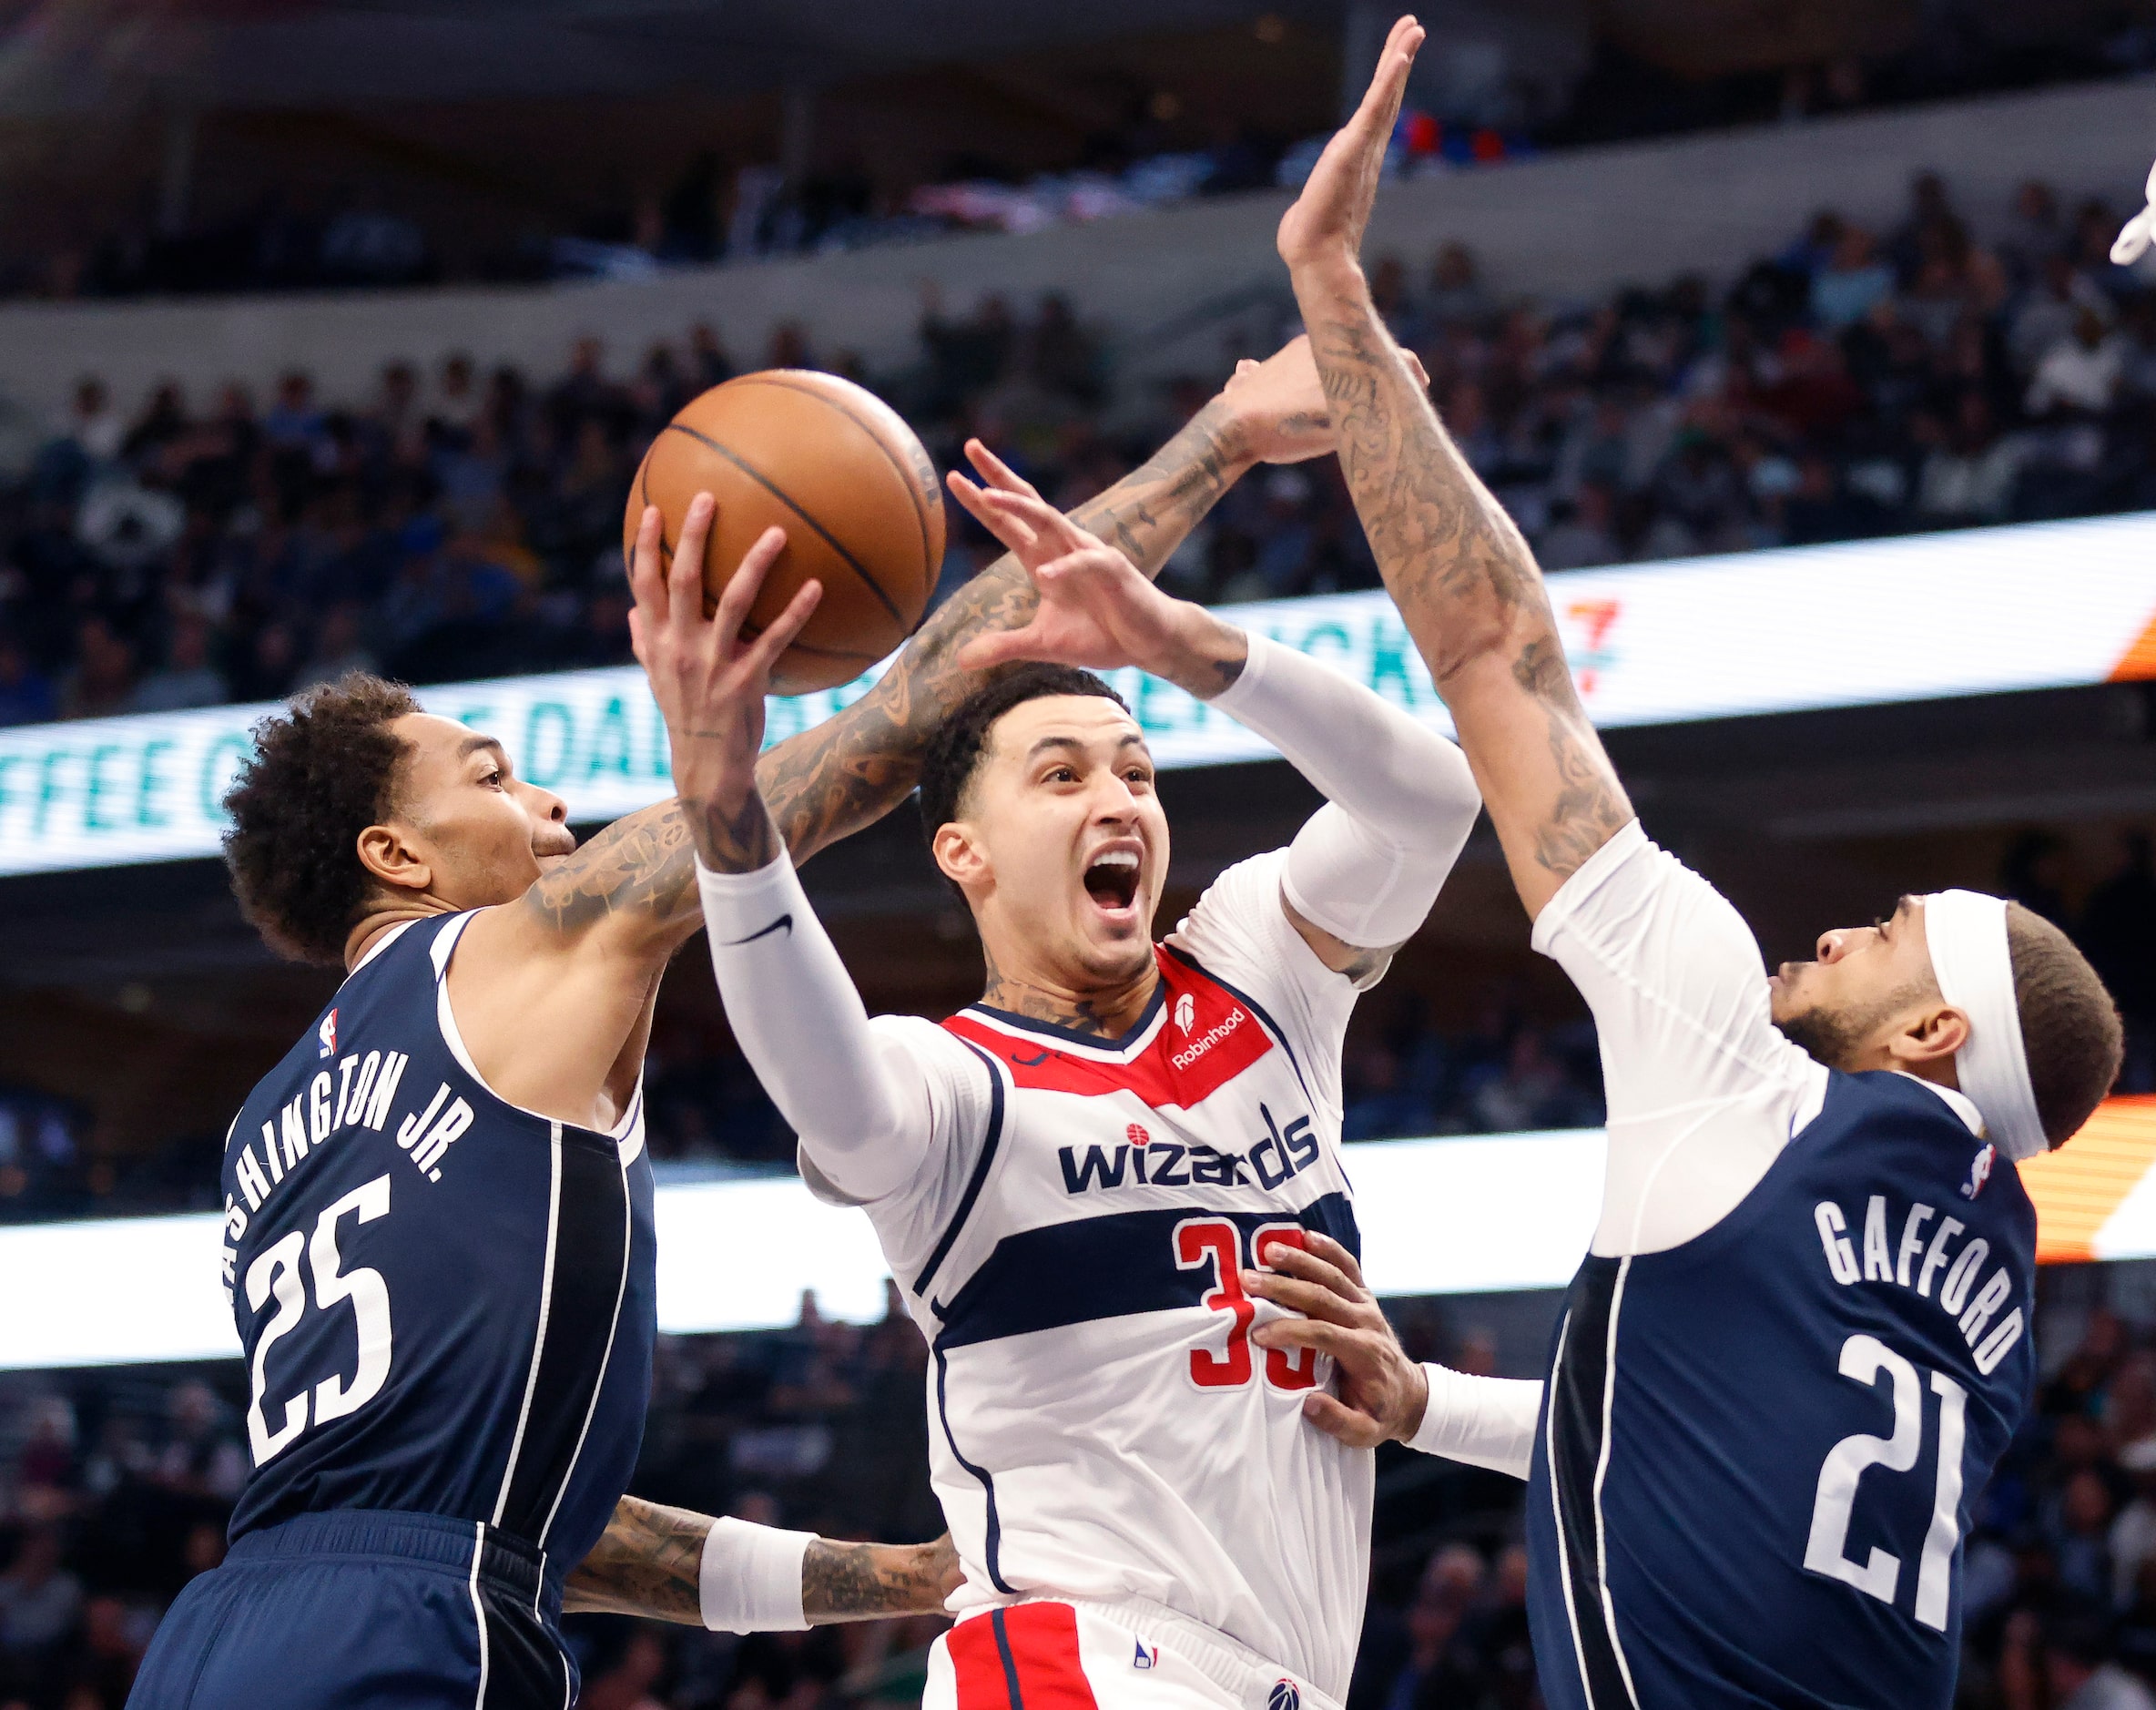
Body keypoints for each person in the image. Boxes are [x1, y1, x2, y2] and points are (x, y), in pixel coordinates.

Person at [126, 342, 1337, 1710]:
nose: (544, 798)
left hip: (222, 1635)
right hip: (411, 1632)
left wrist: (885, 1576)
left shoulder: (263, 1130)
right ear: (398, 854)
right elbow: (909, 711)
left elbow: (527, 1521)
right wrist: (1221, 442)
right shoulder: (531, 940)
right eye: (490, 771)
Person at [1244, 19, 2126, 1710]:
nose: (1835, 931)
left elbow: (1502, 651)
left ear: (1932, 1033)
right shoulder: (1990, 1292)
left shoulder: (1747, 1069)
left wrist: (1334, 295)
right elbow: (1689, 1426)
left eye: (1885, 935)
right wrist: (1430, 1406)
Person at [663, 464, 1480, 1700]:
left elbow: (1432, 805)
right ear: (965, 852)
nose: (1119, 800)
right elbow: (826, 1085)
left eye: (1138, 773)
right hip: (1081, 1661)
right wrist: (730, 822)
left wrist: (1180, 642)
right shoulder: (948, 1082)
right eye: (1063, 776)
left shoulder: (1260, 970)